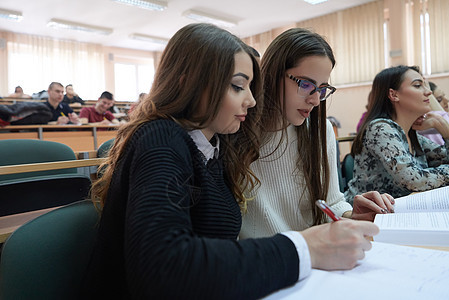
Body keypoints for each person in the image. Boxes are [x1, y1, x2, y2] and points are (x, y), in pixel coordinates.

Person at [81, 23, 379, 299]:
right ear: (191, 85)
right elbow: (163, 268)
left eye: (250, 87)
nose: (251, 100)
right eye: (238, 86)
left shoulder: (213, 146)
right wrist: (304, 248)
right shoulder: (162, 138)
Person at [239, 28, 393, 241]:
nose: (314, 99)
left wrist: (353, 215)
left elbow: (331, 204)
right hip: (263, 262)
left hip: (318, 257)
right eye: (306, 84)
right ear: (273, 75)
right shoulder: (237, 132)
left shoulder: (319, 131)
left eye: (322, 88)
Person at [345, 65, 449, 201]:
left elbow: (445, 159)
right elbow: (414, 180)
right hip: (366, 216)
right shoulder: (380, 128)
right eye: (418, 85)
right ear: (394, 95)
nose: (428, 92)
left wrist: (444, 128)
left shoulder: (411, 134)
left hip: (398, 212)